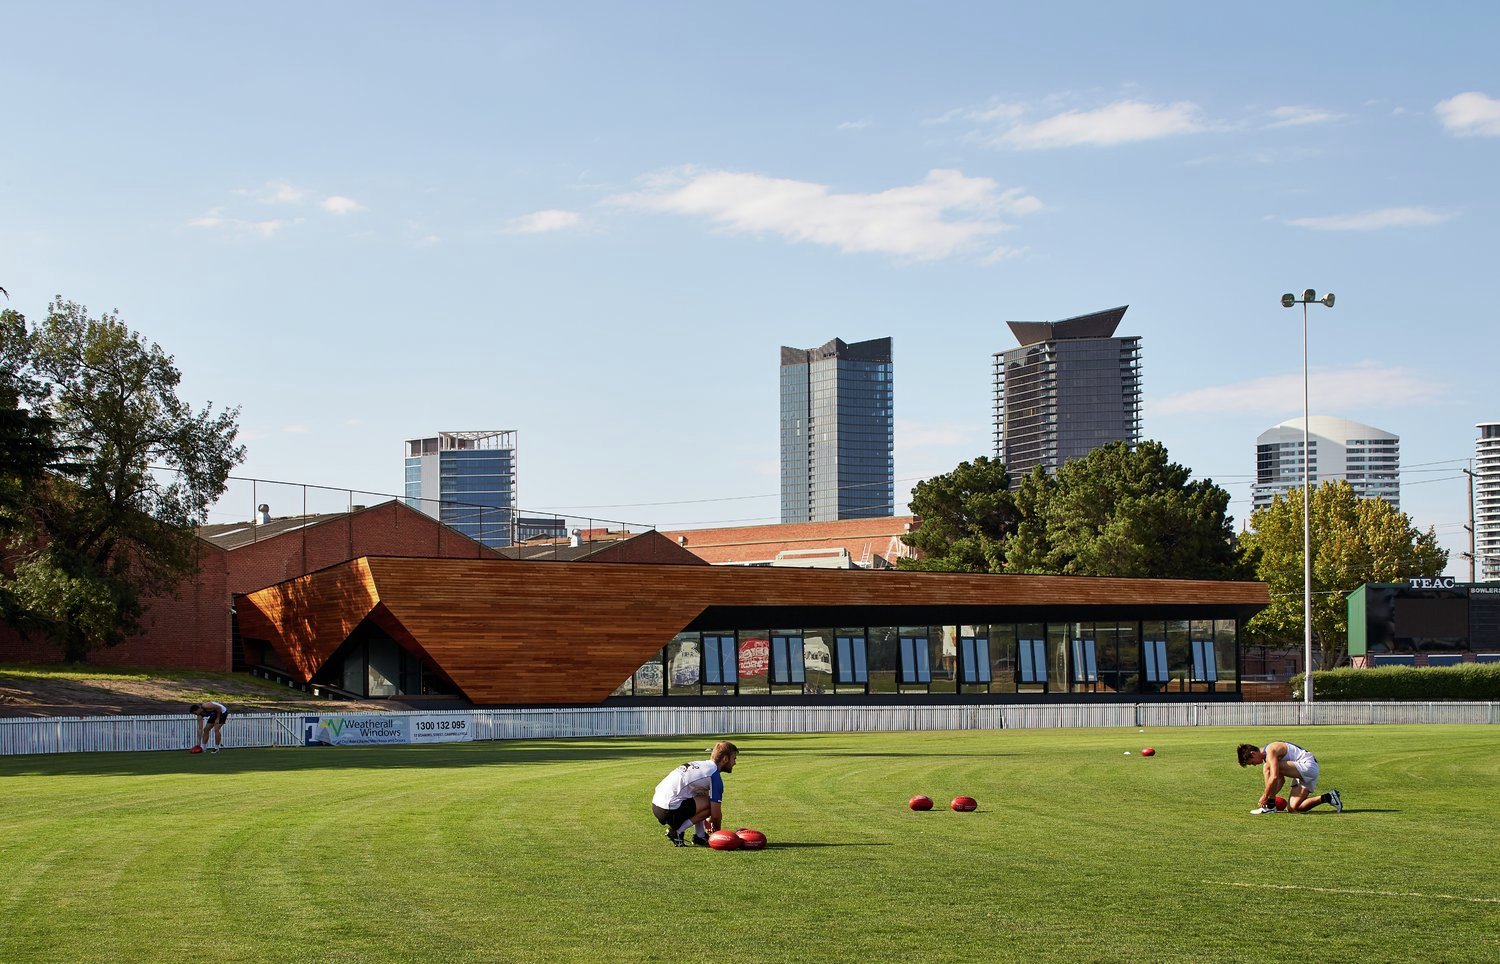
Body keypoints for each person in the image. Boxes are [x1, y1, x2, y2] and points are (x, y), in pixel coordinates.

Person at [651, 741, 739, 846]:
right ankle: (677, 832)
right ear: (725, 759)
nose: (735, 763)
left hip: (657, 806)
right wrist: (718, 835)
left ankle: (699, 836)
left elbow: (700, 797)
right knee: (711, 805)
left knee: (704, 799)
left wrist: (707, 818)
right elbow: (716, 815)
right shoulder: (714, 776)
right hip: (669, 809)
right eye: (734, 758)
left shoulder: (703, 765)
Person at [1237, 741, 1342, 814]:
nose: (1254, 765)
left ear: (1253, 753)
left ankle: (1270, 806)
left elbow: (1274, 777)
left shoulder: (1270, 751)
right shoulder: (1268, 756)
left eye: (1252, 762)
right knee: (1293, 807)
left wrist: (1265, 796)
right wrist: (1269, 796)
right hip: (1305, 770)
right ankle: (1329, 797)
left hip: (1307, 766)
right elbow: (1280, 780)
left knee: (1267, 767)